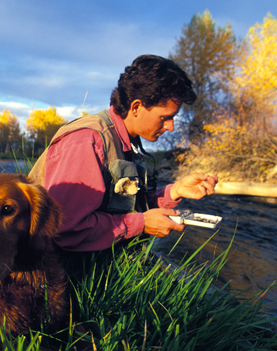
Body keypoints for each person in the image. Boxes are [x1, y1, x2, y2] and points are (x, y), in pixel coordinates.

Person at [29, 54, 218, 254]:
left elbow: (127, 207)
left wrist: (175, 191)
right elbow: (65, 229)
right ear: (136, 107)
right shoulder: (88, 142)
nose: (170, 127)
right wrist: (141, 224)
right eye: (165, 118)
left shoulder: (126, 141)